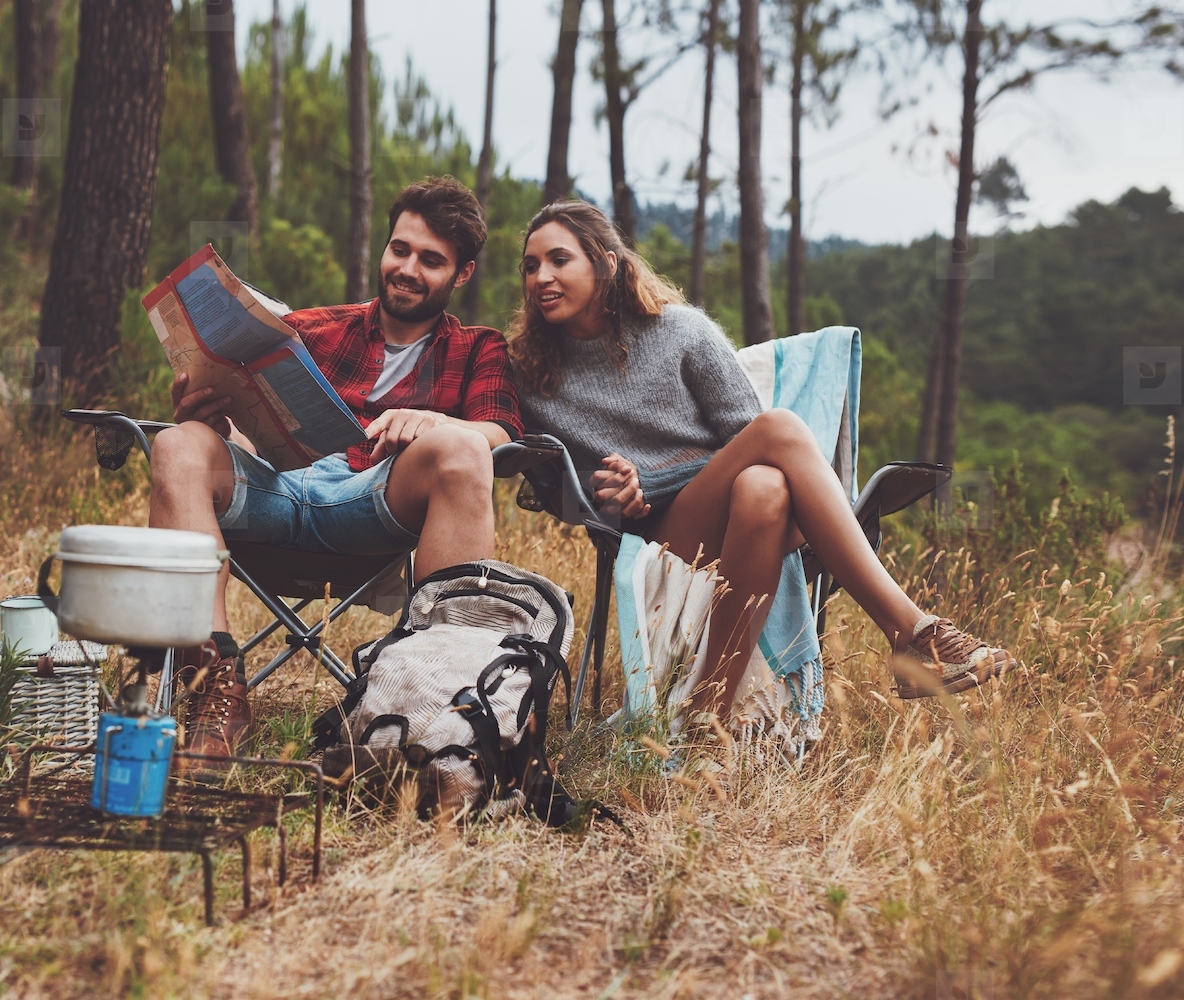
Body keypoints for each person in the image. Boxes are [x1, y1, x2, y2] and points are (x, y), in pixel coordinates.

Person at [508, 200, 1013, 720]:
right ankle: (911, 633)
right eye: (530, 266)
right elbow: (555, 492)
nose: (541, 277)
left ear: (606, 264)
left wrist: (652, 478)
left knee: (765, 486)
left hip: (738, 511)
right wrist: (613, 497)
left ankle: (707, 716)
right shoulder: (528, 374)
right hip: (651, 534)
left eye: (559, 260)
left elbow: (748, 442)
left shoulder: (681, 332)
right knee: (780, 429)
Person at [150, 176, 522, 761]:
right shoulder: (309, 327)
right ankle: (213, 690)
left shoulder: (479, 347)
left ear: (462, 274)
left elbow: (501, 435)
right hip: (275, 487)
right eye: (400, 249)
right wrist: (213, 420)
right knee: (178, 444)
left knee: (465, 448)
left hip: (371, 502)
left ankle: (435, 699)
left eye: (430, 260)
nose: (407, 269)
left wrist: (435, 423)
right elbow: (249, 438)